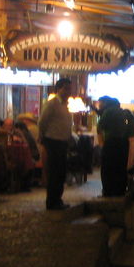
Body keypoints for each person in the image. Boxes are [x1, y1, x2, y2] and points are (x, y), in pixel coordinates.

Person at [38, 78, 73, 210]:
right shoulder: (52, 104)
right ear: (58, 89)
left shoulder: (64, 105)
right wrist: (42, 136)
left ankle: (57, 199)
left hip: (62, 142)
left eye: (70, 89)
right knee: (54, 172)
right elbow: (42, 122)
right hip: (53, 141)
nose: (68, 91)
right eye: (66, 88)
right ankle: (52, 201)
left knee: (60, 172)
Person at [97, 96, 133, 197]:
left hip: (111, 142)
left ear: (106, 103)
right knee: (120, 167)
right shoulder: (125, 113)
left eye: (101, 103)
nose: (99, 105)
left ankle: (108, 191)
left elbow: (100, 127)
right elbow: (132, 128)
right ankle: (120, 191)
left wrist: (101, 142)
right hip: (123, 143)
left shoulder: (108, 112)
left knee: (107, 168)